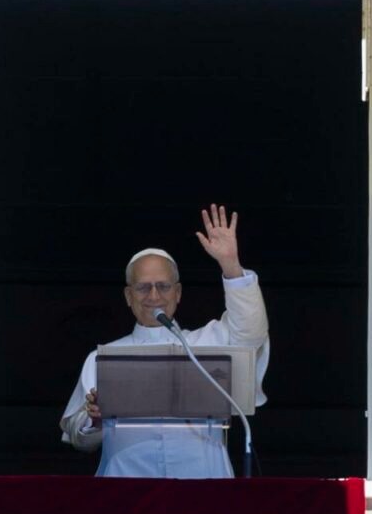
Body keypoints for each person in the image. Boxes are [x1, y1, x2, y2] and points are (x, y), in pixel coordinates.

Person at [59, 204, 269, 478]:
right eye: (143, 287)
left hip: (204, 477)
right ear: (128, 296)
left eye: (164, 286)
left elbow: (251, 332)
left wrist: (230, 265)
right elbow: (78, 438)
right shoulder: (102, 357)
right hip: (128, 480)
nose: (154, 295)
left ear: (178, 293)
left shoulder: (210, 342)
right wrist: (95, 419)